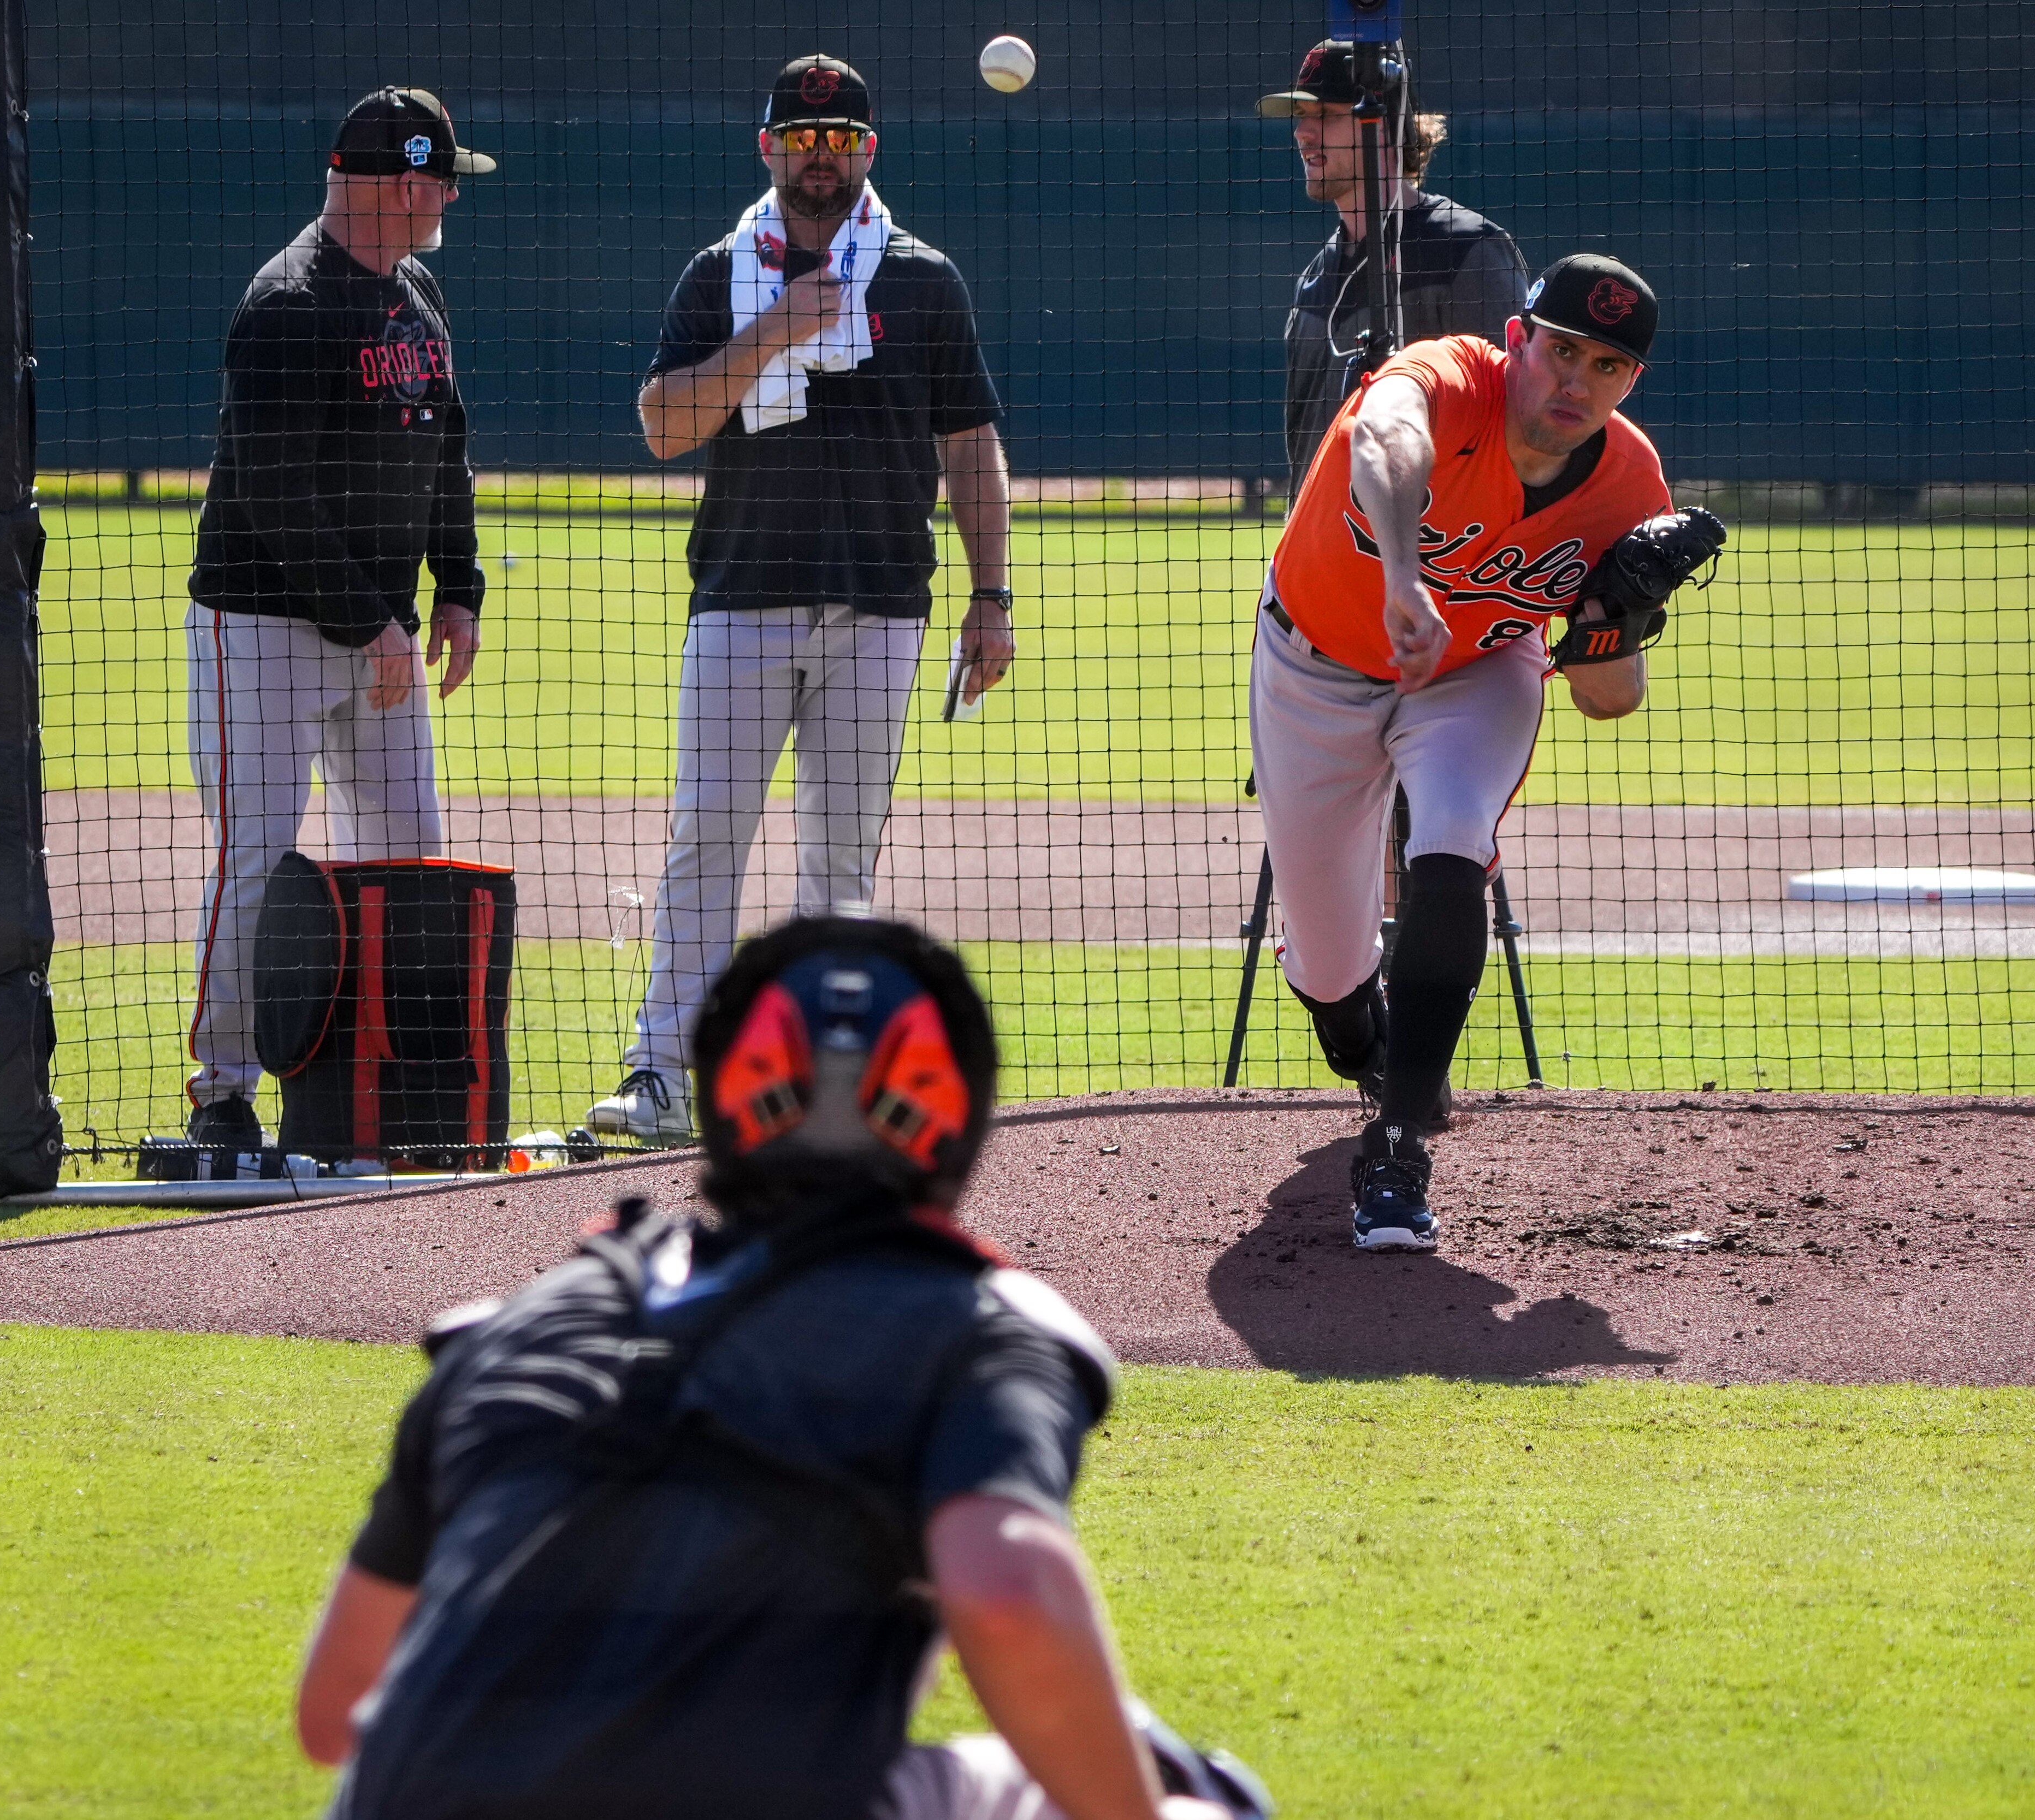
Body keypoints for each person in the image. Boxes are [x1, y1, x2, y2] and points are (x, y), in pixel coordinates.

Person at [296, 916, 1262, 1820]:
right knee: (1185, 1794)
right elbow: (1009, 1598)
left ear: (725, 1101)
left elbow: (337, 1710)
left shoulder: (523, 1322)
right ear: (954, 1121)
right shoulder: (968, 1323)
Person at [1251, 254, 1726, 1251]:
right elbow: (1383, 441)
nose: (1576, 383)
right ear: (1519, 339)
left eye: (1608, 367)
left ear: (1631, 381)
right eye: (1562, 351)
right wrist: (1403, 577)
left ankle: (1397, 1147)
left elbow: (1609, 700)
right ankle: (1359, 1031)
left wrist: (1615, 619)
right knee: (1333, 971)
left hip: (1475, 668)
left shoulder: (1630, 481)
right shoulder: (1445, 377)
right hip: (1318, 661)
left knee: (1454, 840)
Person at [588, 54, 1016, 1148]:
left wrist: (992, 595)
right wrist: (771, 331)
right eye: (800, 135)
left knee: (840, 859)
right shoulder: (720, 273)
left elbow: (970, 446)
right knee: (705, 843)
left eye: (840, 138)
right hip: (740, 596)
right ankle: (660, 1071)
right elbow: (661, 425)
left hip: (881, 605)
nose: (819, 154)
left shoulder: (922, 278)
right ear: (766, 147)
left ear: (868, 152)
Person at [179, 87, 494, 1152]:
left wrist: (457, 583)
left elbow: (444, 450)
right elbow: (272, 489)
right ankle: (220, 1090)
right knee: (257, 858)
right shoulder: (286, 303)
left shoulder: (419, 296)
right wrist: (372, 620)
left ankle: (381, 1085)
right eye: (443, 178)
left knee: (411, 856)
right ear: (404, 182)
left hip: (380, 634)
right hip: (263, 625)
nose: (451, 194)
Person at [1259, 39, 1529, 502]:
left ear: (1380, 124)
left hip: (1432, 565)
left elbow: (1516, 423)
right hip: (1321, 564)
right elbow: (1306, 457)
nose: (1302, 133)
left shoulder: (1467, 252)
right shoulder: (1314, 279)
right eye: (1301, 117)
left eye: (1324, 115)